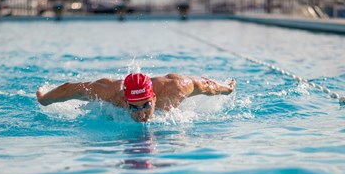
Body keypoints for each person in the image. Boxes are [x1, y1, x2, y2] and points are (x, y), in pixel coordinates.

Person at [36, 73, 236, 123]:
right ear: (125, 102)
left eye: (146, 106)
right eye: (134, 107)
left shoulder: (175, 89)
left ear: (154, 98)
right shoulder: (109, 94)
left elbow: (206, 85)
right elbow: (71, 89)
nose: (142, 114)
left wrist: (227, 88)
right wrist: (44, 99)